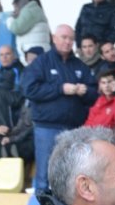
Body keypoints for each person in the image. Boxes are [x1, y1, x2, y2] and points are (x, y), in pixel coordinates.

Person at [22, 24, 98, 192]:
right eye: (64, 37)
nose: (67, 42)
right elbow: (29, 89)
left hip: (73, 129)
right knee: (44, 177)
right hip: (46, 127)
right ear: (54, 38)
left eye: (71, 38)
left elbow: (94, 94)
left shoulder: (80, 66)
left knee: (71, 176)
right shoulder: (41, 62)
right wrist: (60, 88)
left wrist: (85, 92)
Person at [7, 0, 51, 64]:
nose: (14, 11)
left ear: (19, 6)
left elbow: (16, 28)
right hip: (38, 53)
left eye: (15, 8)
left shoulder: (28, 11)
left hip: (33, 54)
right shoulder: (35, 10)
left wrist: (10, 19)